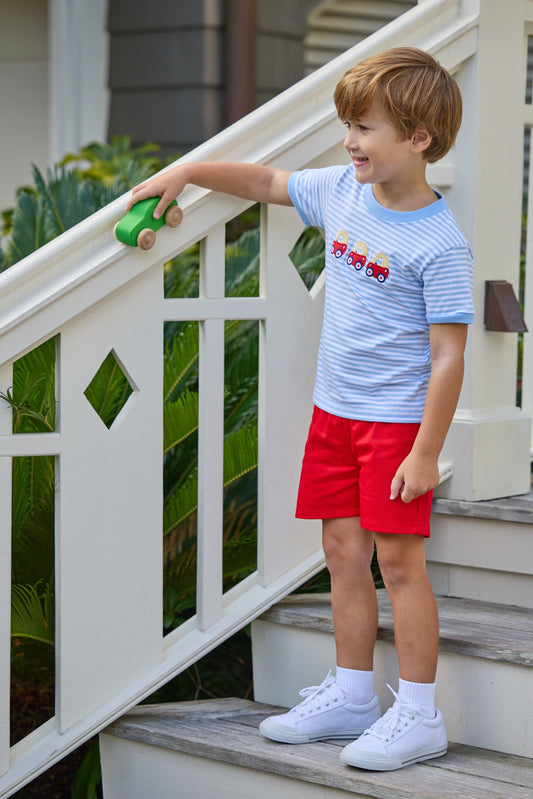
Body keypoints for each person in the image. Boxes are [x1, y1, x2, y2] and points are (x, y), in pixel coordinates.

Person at [127, 47, 475, 772]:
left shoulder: (439, 243)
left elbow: (448, 356)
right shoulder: (342, 192)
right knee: (341, 554)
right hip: (334, 414)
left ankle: (417, 713)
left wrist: (422, 448)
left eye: (365, 128)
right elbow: (264, 180)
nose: (350, 140)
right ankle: (352, 694)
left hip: (393, 426)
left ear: (417, 137)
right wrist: (187, 171)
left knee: (398, 564)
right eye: (347, 124)